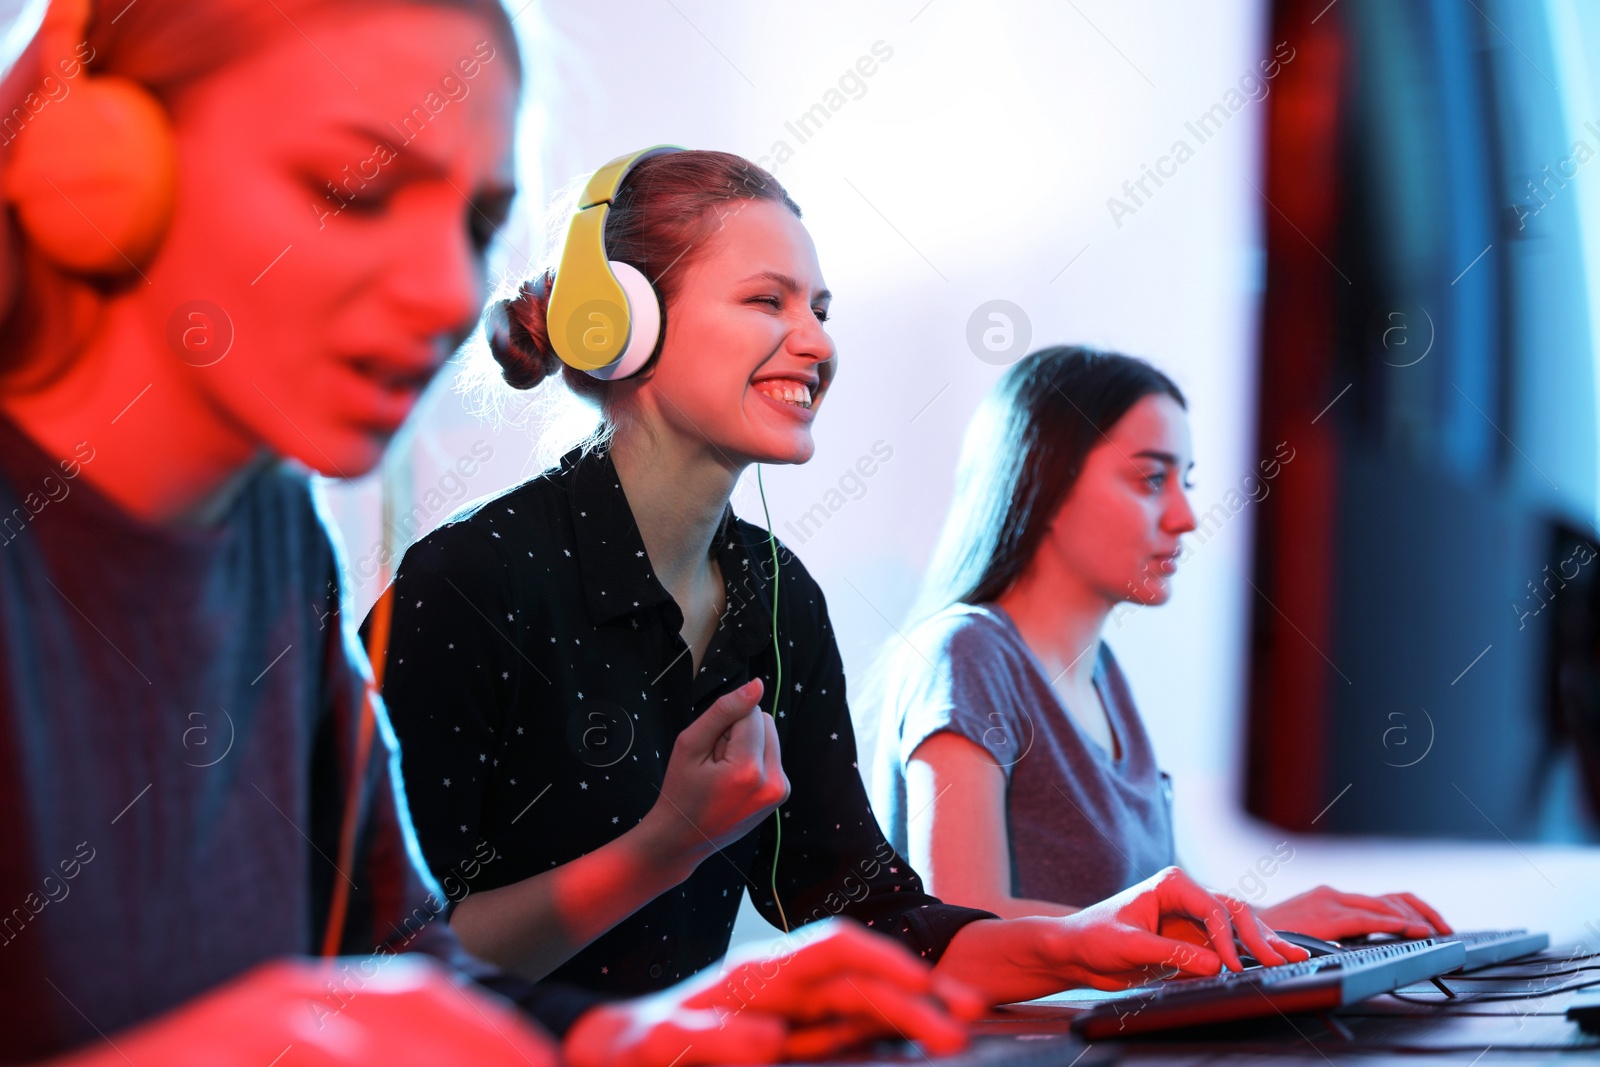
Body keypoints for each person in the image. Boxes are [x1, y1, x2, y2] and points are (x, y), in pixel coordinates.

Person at [0, 4, 985, 1064]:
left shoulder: (276, 542)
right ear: (94, 165)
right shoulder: (464, 576)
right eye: (358, 187)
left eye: (475, 227)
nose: (446, 292)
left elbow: (411, 961)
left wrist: (641, 1033)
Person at [370, 148, 1313, 1014]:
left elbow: (873, 910)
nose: (816, 343)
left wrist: (1091, 941)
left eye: (819, 309)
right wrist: (665, 845)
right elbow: (393, 963)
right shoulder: (469, 584)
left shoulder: (775, 593)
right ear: (619, 324)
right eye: (767, 302)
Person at [868, 346, 1453, 940]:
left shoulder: (1104, 677)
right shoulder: (967, 652)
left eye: (1185, 482)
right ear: (1040, 477)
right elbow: (964, 921)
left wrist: (1269, 929)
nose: (1185, 516)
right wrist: (1256, 927)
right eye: (1152, 478)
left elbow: (1165, 912)